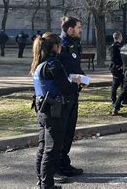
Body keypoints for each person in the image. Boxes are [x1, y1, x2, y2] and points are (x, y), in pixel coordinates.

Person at [31, 32, 82, 189]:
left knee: (42, 148)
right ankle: (47, 185)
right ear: (56, 47)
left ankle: (42, 181)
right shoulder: (54, 65)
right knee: (52, 150)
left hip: (42, 109)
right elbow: (66, 88)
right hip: (54, 111)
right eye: (60, 46)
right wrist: (77, 83)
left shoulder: (39, 63)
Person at [58, 16, 84, 177]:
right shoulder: (60, 46)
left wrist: (82, 77)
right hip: (62, 97)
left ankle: (64, 162)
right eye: (79, 27)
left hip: (73, 94)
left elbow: (75, 67)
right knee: (62, 132)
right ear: (70, 29)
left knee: (69, 131)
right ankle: (58, 165)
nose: (81, 30)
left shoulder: (75, 45)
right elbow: (58, 72)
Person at [109, 32, 127, 105]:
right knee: (115, 84)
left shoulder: (120, 46)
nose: (122, 38)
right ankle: (114, 100)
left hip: (121, 67)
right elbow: (114, 59)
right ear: (118, 37)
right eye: (121, 37)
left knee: (123, 84)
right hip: (116, 68)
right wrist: (120, 65)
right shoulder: (113, 47)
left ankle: (124, 98)